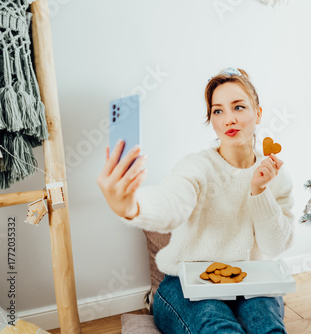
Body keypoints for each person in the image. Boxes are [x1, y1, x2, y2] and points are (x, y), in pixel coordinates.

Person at [97, 67, 294, 333]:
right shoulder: (197, 167)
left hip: (253, 281)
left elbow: (275, 245)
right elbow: (172, 202)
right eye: (218, 111)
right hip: (184, 284)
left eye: (238, 107)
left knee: (268, 329)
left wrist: (259, 192)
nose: (228, 119)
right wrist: (131, 206)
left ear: (258, 113)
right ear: (211, 119)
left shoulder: (276, 175)